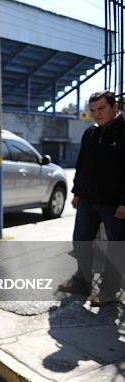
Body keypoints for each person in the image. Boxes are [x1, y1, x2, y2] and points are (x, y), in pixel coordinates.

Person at [59, 90, 125, 306]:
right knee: (80, 240)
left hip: (115, 203)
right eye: (93, 111)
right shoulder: (90, 133)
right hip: (88, 199)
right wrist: (77, 192)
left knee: (117, 246)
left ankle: (109, 291)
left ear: (115, 107)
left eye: (101, 109)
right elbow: (81, 165)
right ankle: (83, 282)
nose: (97, 114)